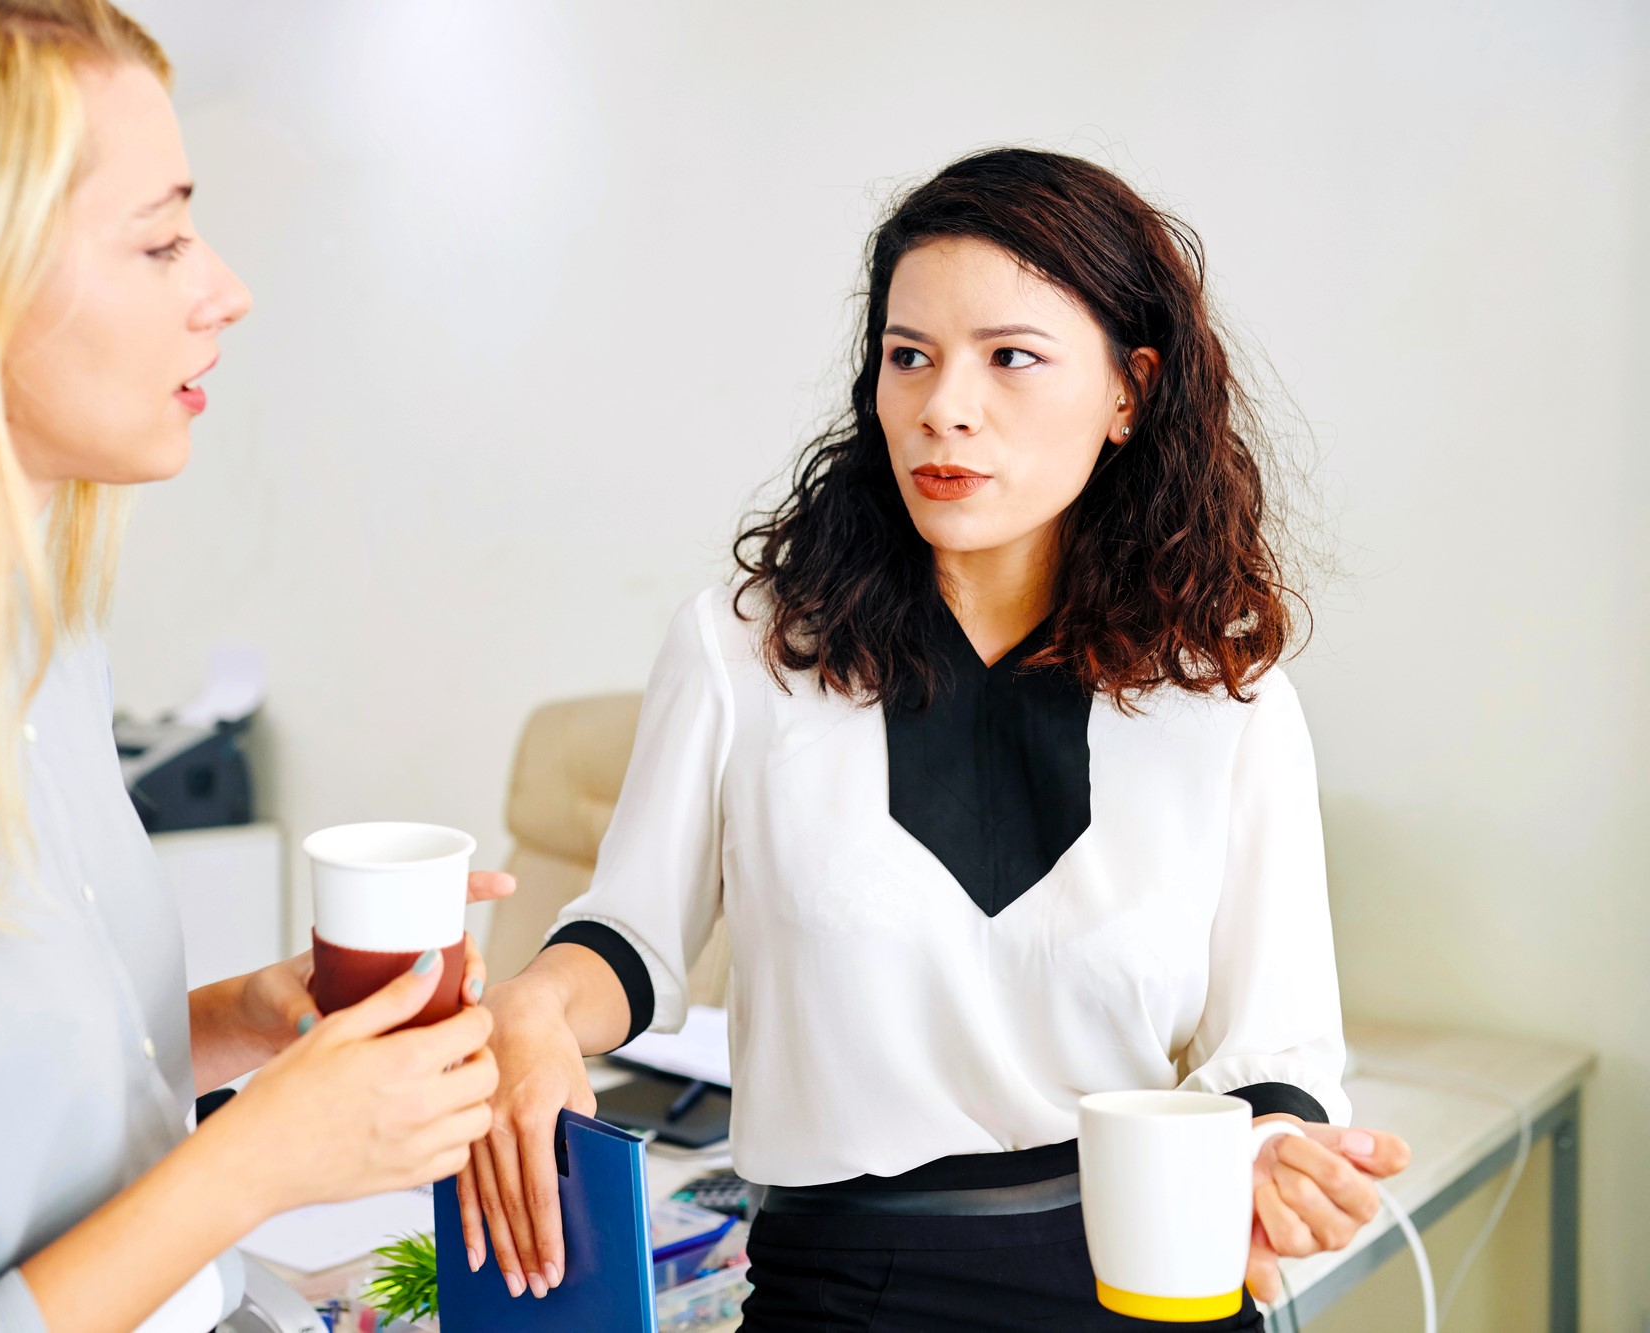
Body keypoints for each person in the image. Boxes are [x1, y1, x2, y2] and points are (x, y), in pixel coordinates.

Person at [458, 148, 1411, 1328]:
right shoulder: (747, 648)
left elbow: (1273, 1045)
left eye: (1010, 357)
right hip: (840, 1291)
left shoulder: (1223, 697)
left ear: (1128, 392)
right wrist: (538, 1006)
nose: (940, 406)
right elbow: (631, 936)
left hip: (1153, 1278)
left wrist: (1275, 1150)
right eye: (908, 355)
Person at [0, 3, 502, 1328]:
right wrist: (257, 1159)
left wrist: (230, 1021)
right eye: (158, 240)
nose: (226, 288)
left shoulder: (40, 637)